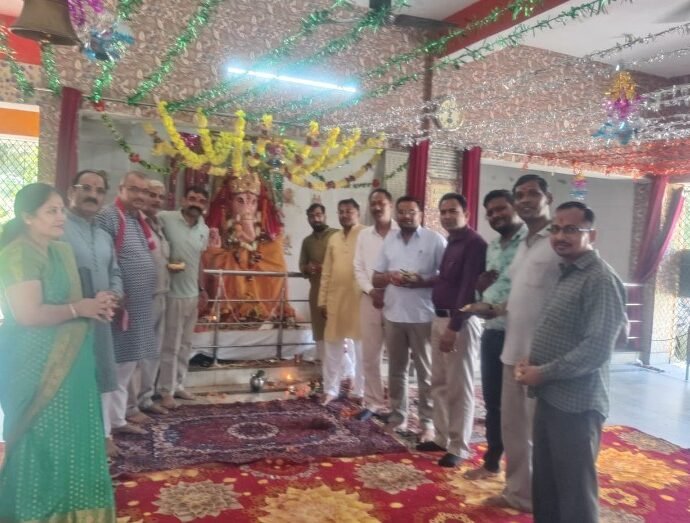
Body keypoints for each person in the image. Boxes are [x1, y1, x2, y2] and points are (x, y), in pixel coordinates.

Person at [0, 183, 116, 522]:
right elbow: (28, 314)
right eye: (51, 211)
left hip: (72, 362)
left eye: (61, 210)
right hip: (33, 362)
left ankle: (73, 508)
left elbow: (70, 301)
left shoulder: (58, 251)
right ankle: (32, 511)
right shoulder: (19, 254)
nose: (60, 216)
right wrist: (80, 309)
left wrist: (95, 305)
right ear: (27, 217)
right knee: (40, 435)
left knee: (72, 434)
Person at [517, 202, 627, 523]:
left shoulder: (600, 279)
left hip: (577, 403)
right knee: (547, 484)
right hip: (551, 395)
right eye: (555, 229)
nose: (560, 236)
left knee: (574, 490)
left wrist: (543, 372)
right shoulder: (569, 272)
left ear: (592, 234)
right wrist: (533, 361)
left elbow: (597, 348)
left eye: (571, 229)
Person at [473, 174, 561, 512]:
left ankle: (545, 497)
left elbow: (573, 289)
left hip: (539, 355)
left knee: (540, 432)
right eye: (520, 194)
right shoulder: (526, 245)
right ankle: (518, 494)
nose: (525, 199)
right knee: (513, 429)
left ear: (548, 198)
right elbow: (519, 295)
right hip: (512, 349)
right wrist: (493, 308)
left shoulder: (557, 240)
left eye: (532, 194)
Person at [416, 193, 486, 467]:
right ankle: (442, 437)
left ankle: (459, 446)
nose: (446, 216)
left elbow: (468, 289)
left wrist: (454, 327)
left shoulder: (474, 244)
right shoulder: (452, 243)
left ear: (466, 214)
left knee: (460, 387)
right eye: (443, 211)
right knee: (440, 383)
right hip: (439, 318)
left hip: (460, 323)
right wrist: (421, 281)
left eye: (452, 211)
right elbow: (446, 280)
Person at [463, 190, 526, 479]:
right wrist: (479, 290)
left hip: (520, 334)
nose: (495, 215)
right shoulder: (493, 247)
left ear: (515, 207)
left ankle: (521, 473)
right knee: (493, 403)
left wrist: (496, 306)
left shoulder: (530, 242)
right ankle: (491, 462)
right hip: (492, 333)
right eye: (490, 212)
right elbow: (489, 287)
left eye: (501, 209)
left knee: (519, 407)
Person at [372, 196, 446, 439]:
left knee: (426, 372)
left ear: (420, 214)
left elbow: (447, 276)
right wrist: (389, 276)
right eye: (402, 212)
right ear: (397, 215)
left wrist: (421, 281)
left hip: (423, 315)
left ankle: (428, 423)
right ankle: (398, 417)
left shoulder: (435, 240)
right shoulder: (389, 240)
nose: (406, 216)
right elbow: (376, 277)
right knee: (396, 370)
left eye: (411, 212)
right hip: (393, 314)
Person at [63, 169, 124, 457]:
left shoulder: (103, 236)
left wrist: (113, 296)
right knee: (72, 377)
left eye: (99, 191)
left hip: (100, 319)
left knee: (103, 374)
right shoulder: (58, 229)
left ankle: (104, 435)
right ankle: (72, 436)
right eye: (86, 188)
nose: (93, 195)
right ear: (70, 192)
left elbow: (115, 272)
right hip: (68, 319)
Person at [97, 171, 158, 436]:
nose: (140, 195)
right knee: (112, 367)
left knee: (127, 366)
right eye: (134, 189)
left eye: (144, 191)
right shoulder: (109, 216)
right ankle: (104, 429)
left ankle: (118, 419)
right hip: (119, 305)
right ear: (120, 189)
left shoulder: (136, 219)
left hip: (138, 305)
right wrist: (115, 293)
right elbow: (104, 258)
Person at [158, 185, 210, 409]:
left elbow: (200, 261)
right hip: (172, 293)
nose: (196, 203)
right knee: (171, 344)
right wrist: (165, 265)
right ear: (183, 200)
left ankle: (178, 384)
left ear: (205, 205)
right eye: (192, 198)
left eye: (200, 200)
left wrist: (202, 289)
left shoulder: (203, 228)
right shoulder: (165, 218)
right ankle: (165, 391)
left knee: (186, 344)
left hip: (192, 295)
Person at [126, 179, 171, 418]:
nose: (156, 200)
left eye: (160, 197)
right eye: (152, 195)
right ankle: (129, 406)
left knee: (153, 352)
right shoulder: (133, 222)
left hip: (161, 293)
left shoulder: (158, 224)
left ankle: (146, 398)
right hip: (141, 296)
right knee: (135, 353)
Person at [353, 188, 398, 420]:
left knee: (397, 356)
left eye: (382, 203)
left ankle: (397, 406)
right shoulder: (364, 235)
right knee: (370, 354)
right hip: (369, 299)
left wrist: (388, 291)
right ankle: (373, 402)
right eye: (373, 204)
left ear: (391, 205)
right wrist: (371, 291)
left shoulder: (402, 233)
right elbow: (358, 268)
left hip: (397, 300)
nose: (377, 207)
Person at [318, 198, 365, 405]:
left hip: (360, 299)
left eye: (349, 211)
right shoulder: (334, 238)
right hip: (335, 298)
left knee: (362, 348)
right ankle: (331, 390)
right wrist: (322, 300)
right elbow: (327, 271)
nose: (344, 215)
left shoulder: (366, 234)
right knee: (332, 346)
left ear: (358, 213)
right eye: (341, 211)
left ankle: (361, 391)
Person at [299, 203, 338, 362]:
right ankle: (325, 368)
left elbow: (345, 262)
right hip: (316, 291)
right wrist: (308, 268)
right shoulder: (307, 242)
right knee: (320, 331)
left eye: (318, 215)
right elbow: (302, 265)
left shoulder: (336, 235)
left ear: (325, 215)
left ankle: (347, 372)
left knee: (339, 330)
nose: (315, 219)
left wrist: (326, 267)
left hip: (337, 290)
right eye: (311, 216)